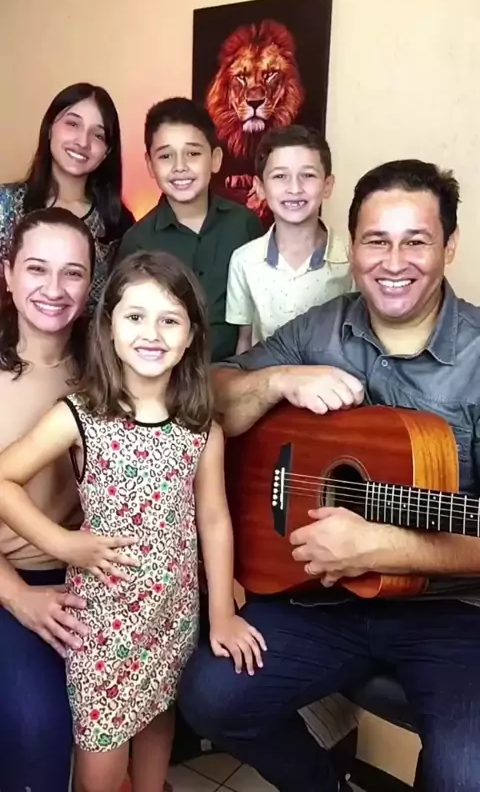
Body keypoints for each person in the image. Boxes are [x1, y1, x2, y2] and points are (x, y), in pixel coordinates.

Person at [178, 159, 480, 792]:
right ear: (354, 247)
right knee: (211, 696)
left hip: (449, 610)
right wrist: (277, 380)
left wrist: (387, 548)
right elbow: (210, 393)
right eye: (376, 240)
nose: (393, 262)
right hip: (322, 597)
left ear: (449, 246)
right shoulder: (323, 326)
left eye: (416, 241)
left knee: (465, 771)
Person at [0, 250, 266, 792]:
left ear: (191, 337)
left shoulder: (201, 428)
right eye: (136, 316)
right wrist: (62, 544)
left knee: (158, 720)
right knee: (100, 765)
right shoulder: (79, 416)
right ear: (109, 328)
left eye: (170, 320)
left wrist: (220, 613)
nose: (152, 333)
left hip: (172, 615)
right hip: (103, 623)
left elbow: (214, 519)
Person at [0, 207, 95, 792]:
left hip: (83, 574)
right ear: (8, 273)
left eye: (73, 273)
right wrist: (18, 598)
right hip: (9, 579)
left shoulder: (108, 368)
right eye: (37, 269)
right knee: (37, 728)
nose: (54, 289)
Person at [115, 97, 263, 361]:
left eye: (193, 153)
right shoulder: (138, 241)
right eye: (165, 156)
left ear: (215, 159)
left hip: (237, 370)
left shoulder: (245, 224)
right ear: (150, 165)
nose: (180, 167)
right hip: (165, 374)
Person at [0, 82, 135, 307]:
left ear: (107, 151)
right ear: (50, 128)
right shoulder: (5, 205)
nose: (83, 142)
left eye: (98, 135)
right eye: (73, 124)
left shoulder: (118, 224)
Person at [226, 125, 352, 352]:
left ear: (327, 185)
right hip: (265, 373)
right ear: (260, 187)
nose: (294, 188)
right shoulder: (244, 260)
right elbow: (244, 341)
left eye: (308, 175)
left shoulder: (351, 259)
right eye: (280, 176)